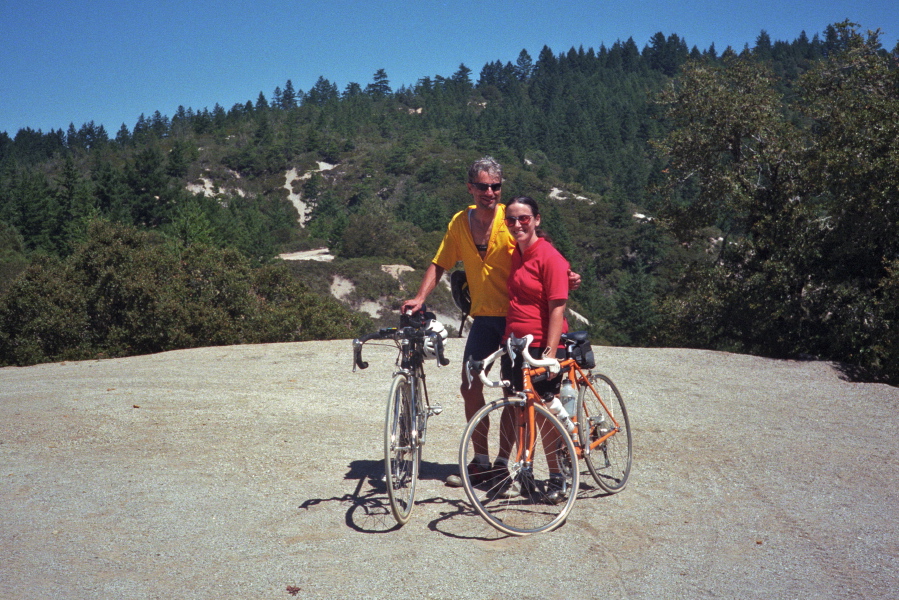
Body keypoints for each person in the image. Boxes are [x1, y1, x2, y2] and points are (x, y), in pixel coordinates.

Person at [401, 157, 579, 487]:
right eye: (482, 186)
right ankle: (480, 461)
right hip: (484, 318)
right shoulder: (459, 223)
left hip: (516, 320)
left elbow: (538, 248)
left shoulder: (511, 220)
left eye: (496, 186)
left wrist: (564, 274)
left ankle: (501, 463)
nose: (490, 192)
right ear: (470, 188)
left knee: (514, 392)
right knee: (470, 386)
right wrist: (420, 297)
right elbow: (439, 263)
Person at [496, 195, 571, 502]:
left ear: (537, 219)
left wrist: (550, 354)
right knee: (519, 408)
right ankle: (524, 472)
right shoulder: (515, 253)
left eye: (523, 218)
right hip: (514, 343)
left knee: (542, 413)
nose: (516, 224)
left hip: (541, 345)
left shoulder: (549, 256)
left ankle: (557, 476)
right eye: (511, 219)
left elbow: (557, 308)